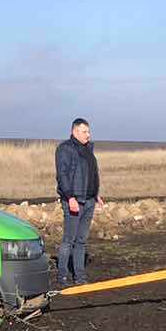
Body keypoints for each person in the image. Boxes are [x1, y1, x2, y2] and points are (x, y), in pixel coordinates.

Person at [54, 118, 103, 287]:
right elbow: (62, 176)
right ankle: (62, 276)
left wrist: (96, 194)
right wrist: (70, 197)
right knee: (69, 240)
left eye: (88, 131)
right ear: (75, 131)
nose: (88, 135)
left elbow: (92, 174)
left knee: (81, 241)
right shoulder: (65, 149)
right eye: (84, 131)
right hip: (74, 201)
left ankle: (80, 277)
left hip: (89, 200)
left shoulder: (88, 150)